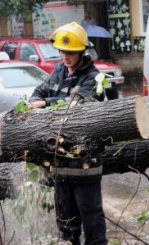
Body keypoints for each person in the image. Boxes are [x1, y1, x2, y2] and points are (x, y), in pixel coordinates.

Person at [28, 22, 107, 245]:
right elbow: (38, 92)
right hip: (59, 163)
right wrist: (35, 101)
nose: (65, 56)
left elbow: (76, 105)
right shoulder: (58, 71)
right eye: (62, 51)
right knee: (66, 223)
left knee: (92, 221)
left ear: (82, 51)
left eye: (70, 52)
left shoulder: (94, 77)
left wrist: (45, 103)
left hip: (85, 165)